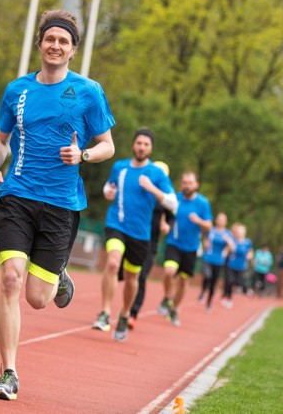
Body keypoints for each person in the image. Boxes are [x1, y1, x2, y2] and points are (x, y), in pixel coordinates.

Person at [0, 9, 115, 401]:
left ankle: (57, 273)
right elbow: (1, 140)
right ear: (40, 43)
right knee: (10, 278)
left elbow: (107, 145)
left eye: (64, 41)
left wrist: (84, 156)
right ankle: (8, 373)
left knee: (38, 299)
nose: (55, 46)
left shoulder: (89, 91)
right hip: (18, 196)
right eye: (50, 39)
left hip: (61, 204)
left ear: (72, 50)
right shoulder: (17, 90)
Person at [91, 129, 176, 342]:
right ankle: (105, 312)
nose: (141, 147)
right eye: (139, 143)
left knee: (132, 279)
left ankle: (125, 313)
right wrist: (107, 192)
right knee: (112, 263)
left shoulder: (157, 174)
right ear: (133, 145)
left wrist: (152, 189)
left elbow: (173, 203)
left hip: (140, 233)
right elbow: (108, 188)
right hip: (116, 224)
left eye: (146, 144)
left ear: (151, 148)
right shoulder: (119, 167)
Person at [117, 160, 174, 331]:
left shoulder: (163, 196)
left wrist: (167, 226)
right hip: (131, 235)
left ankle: (132, 313)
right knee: (124, 273)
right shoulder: (141, 189)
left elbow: (171, 217)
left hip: (150, 243)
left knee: (140, 276)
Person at [157, 171, 212, 326]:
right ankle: (168, 297)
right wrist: (165, 225)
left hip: (191, 247)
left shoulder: (202, 203)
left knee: (183, 281)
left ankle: (174, 310)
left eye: (190, 182)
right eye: (184, 182)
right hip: (174, 243)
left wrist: (199, 221)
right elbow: (165, 214)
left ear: (196, 185)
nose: (187, 185)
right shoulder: (176, 199)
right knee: (169, 271)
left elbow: (209, 225)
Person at [198, 212, 234, 312]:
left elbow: (232, 247)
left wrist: (227, 245)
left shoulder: (227, 233)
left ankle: (208, 303)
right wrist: (205, 244)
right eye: (219, 219)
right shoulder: (211, 230)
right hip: (208, 257)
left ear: (226, 222)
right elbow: (205, 240)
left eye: (222, 220)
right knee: (207, 276)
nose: (220, 221)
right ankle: (203, 291)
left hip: (218, 260)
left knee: (213, 282)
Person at [221, 223, 253, 308]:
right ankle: (228, 298)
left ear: (244, 232)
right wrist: (226, 250)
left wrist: (250, 255)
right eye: (238, 232)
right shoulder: (233, 240)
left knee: (238, 282)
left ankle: (247, 290)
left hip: (241, 266)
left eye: (241, 232)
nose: (240, 233)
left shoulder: (247, 242)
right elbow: (228, 249)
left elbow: (250, 251)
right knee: (230, 281)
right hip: (231, 264)